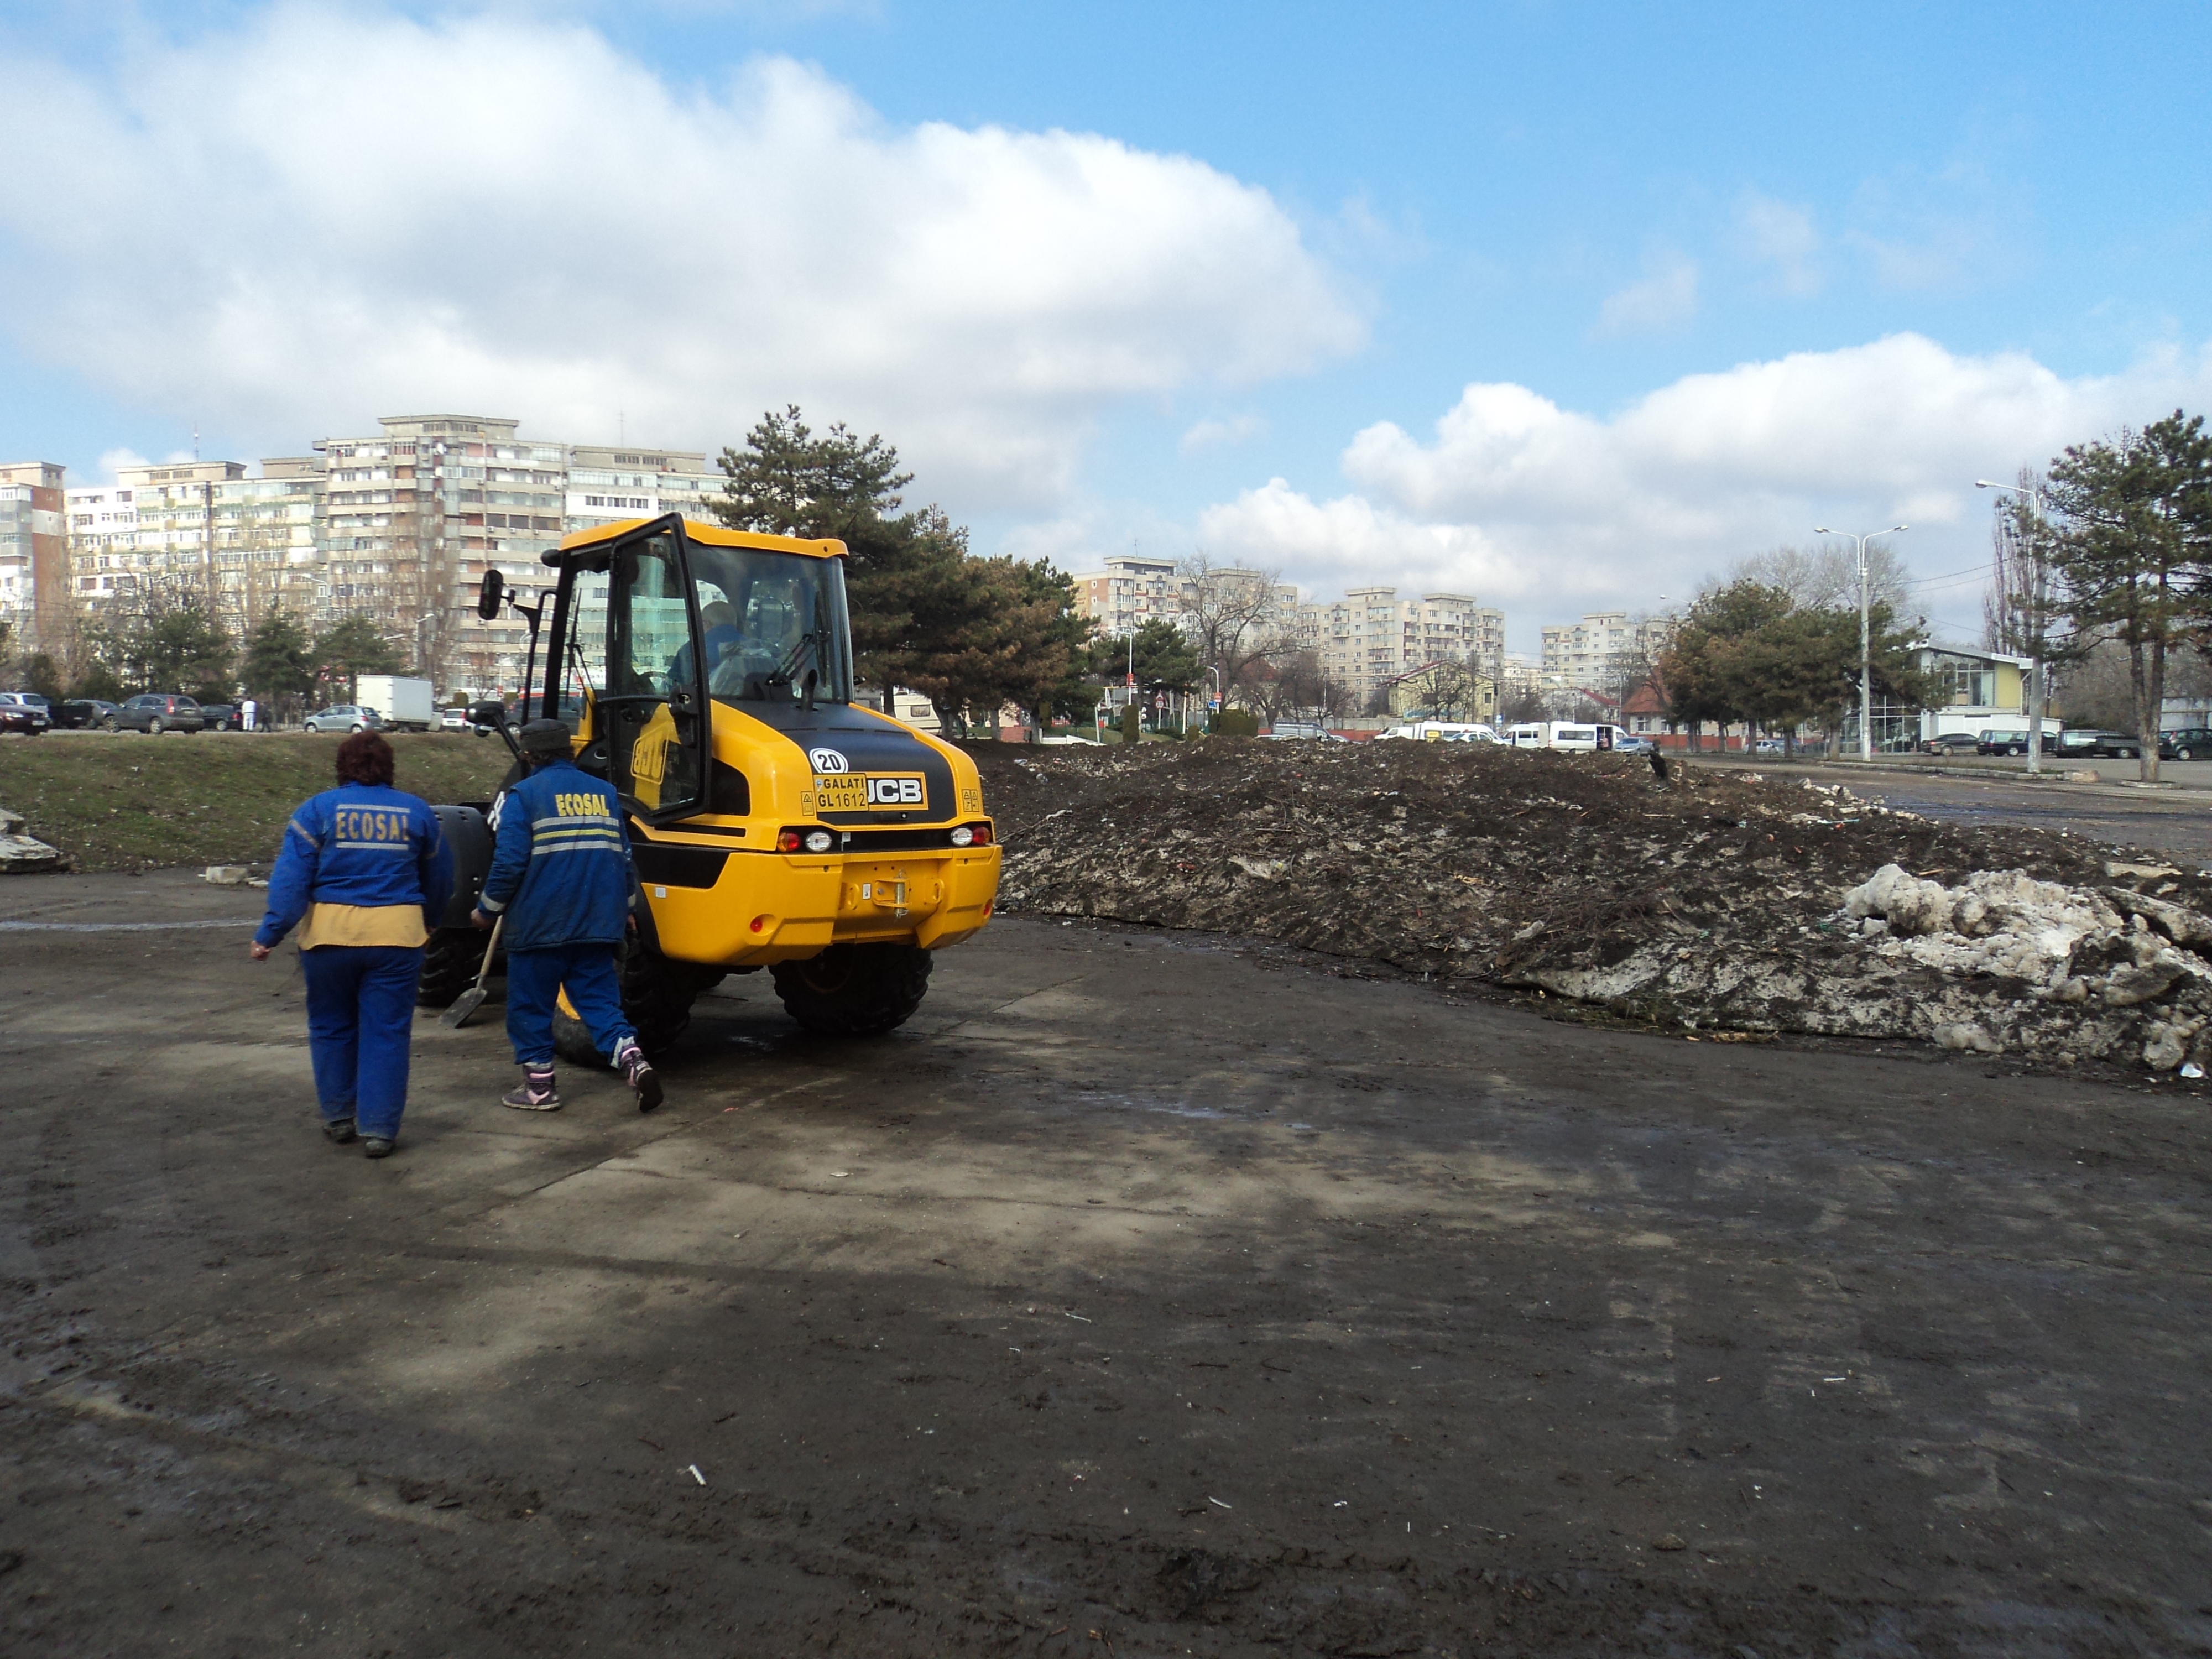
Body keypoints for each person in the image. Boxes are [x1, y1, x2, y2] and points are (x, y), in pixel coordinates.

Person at [251, 731, 453, 1158]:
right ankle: (379, 1130)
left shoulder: (316, 810)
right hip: (398, 938)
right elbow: (440, 878)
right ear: (389, 767)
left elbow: (291, 882)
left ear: (342, 767)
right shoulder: (417, 811)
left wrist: (269, 934)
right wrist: (432, 920)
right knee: (387, 1031)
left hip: (329, 938)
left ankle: (339, 1117)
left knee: (331, 1026)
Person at [472, 719, 662, 1113]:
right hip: (597, 924)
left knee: (530, 1008)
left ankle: (540, 1090)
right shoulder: (605, 794)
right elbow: (624, 858)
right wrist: (628, 910)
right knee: (601, 1005)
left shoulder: (524, 796)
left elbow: (508, 864)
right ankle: (633, 1060)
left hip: (540, 927)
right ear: (569, 750)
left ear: (529, 755)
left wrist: (487, 910)